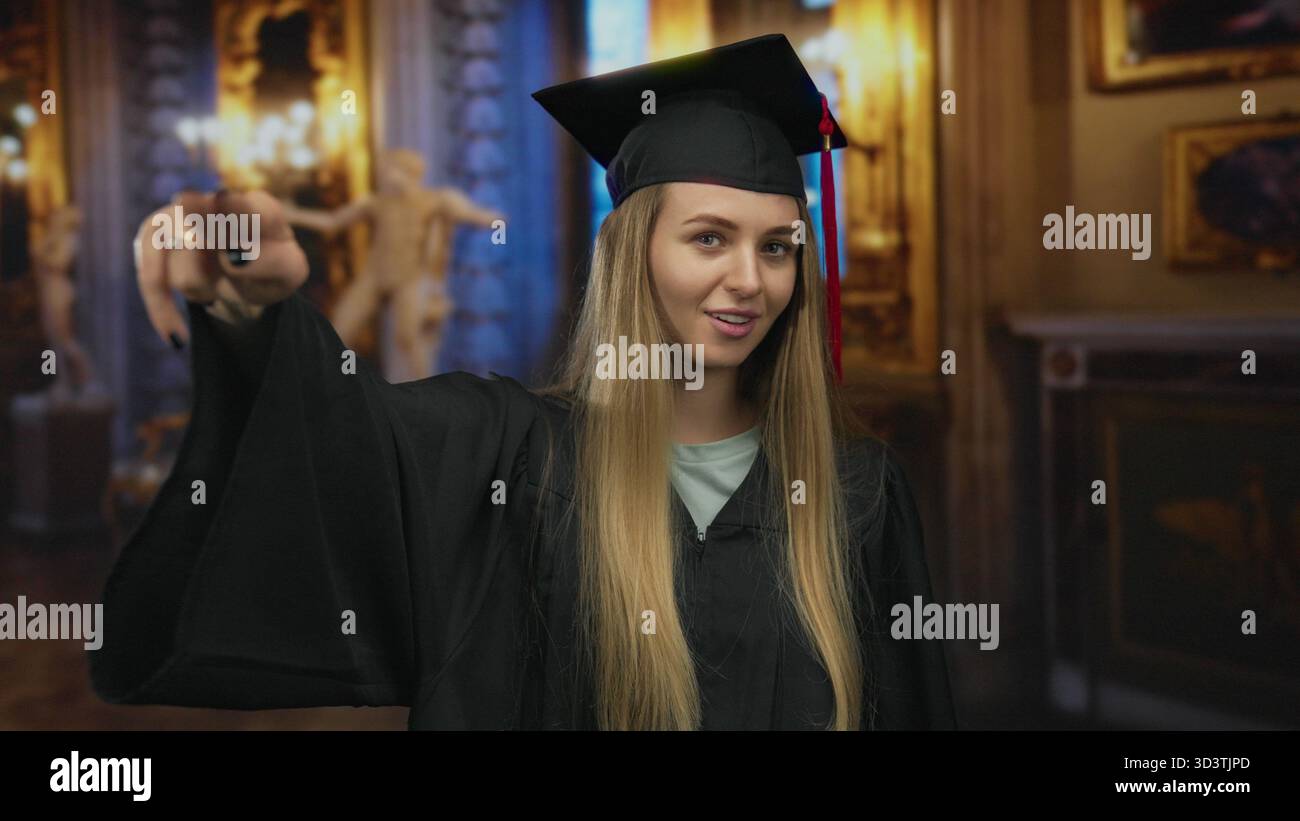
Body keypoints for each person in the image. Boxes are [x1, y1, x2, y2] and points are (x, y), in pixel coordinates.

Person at [91, 34, 956, 730]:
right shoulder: (512, 458)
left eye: (776, 246)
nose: (750, 279)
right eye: (708, 238)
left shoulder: (856, 495)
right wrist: (260, 314)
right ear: (632, 253)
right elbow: (339, 449)